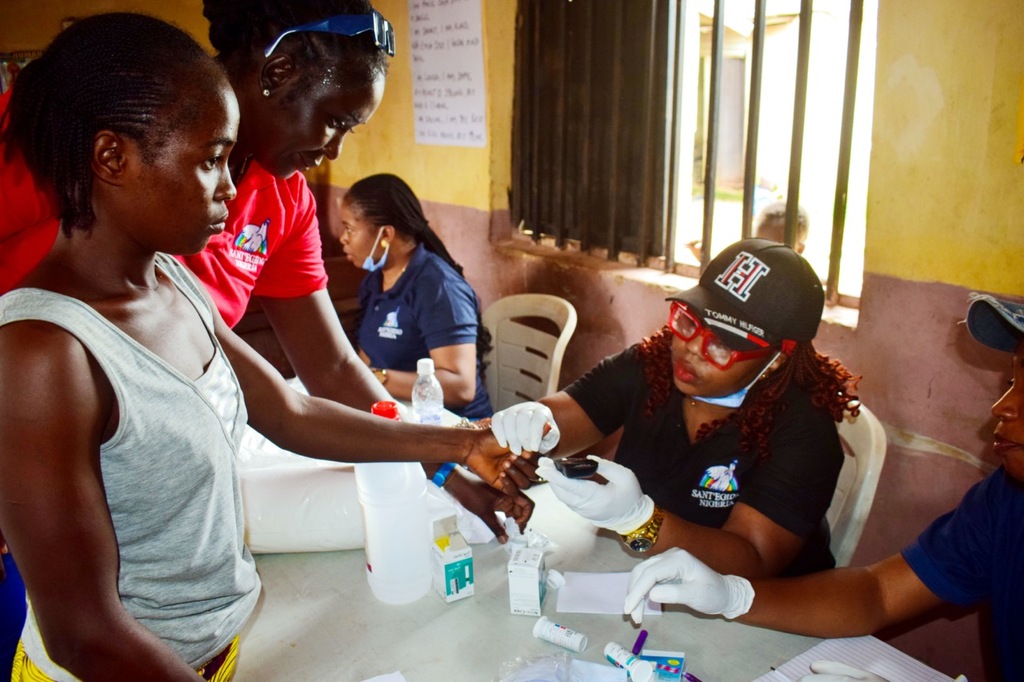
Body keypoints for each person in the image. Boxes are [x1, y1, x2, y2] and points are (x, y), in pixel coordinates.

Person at [0, 14, 516, 679]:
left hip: (202, 641)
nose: (232, 188)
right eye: (212, 159)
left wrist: (452, 450)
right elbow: (85, 636)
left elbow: (295, 403)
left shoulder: (176, 279)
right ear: (111, 159)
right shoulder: (44, 346)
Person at [622, 292, 1024, 681]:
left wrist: (641, 519)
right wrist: (733, 596)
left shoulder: (800, 427)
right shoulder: (1006, 500)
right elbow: (878, 592)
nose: (1002, 405)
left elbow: (757, 551)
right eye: (1011, 379)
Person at [494, 239, 860, 578]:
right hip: (648, 574)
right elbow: (570, 414)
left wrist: (640, 520)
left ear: (777, 359)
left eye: (722, 344)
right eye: (689, 322)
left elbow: (754, 559)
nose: (691, 348)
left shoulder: (804, 433)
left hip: (758, 617)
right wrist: (535, 421)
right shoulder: (651, 365)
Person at [337, 173, 493, 419]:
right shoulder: (375, 280)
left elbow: (461, 388)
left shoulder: (437, 287)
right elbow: (367, 356)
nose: (343, 238)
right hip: (398, 412)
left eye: (350, 229)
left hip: (452, 425)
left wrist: (375, 377)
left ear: (386, 235)